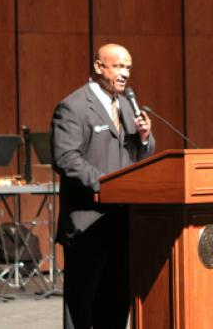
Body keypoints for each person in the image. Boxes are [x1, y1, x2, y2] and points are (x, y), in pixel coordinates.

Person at [51, 43, 156, 329]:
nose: (125, 74)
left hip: (122, 222)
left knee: (117, 301)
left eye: (128, 67)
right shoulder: (73, 106)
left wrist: (144, 139)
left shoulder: (125, 104)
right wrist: (105, 184)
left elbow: (138, 157)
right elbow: (66, 158)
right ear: (99, 67)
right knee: (83, 305)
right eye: (118, 66)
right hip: (88, 223)